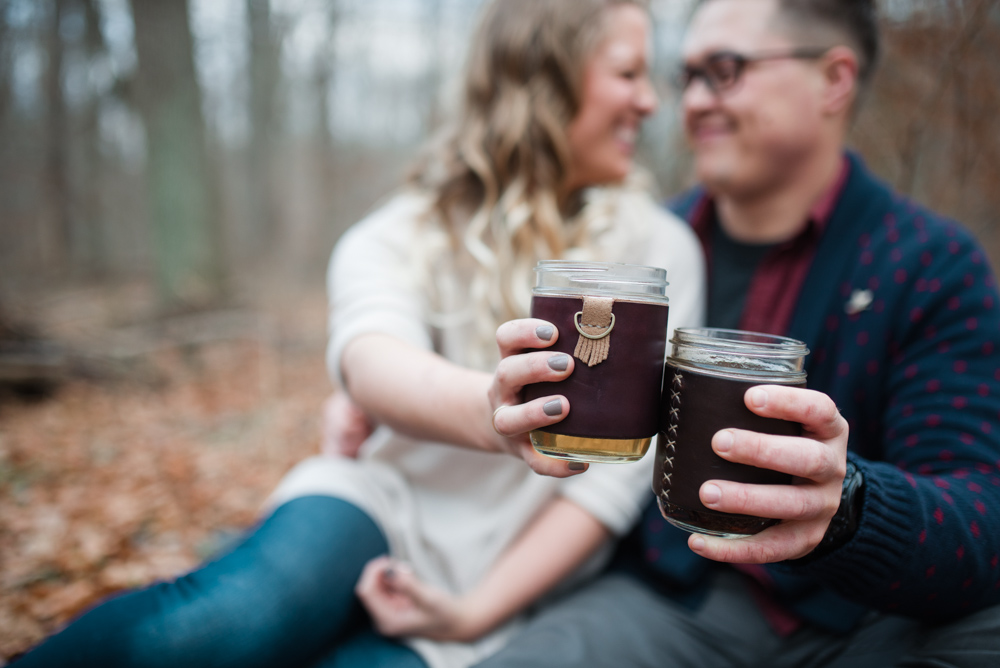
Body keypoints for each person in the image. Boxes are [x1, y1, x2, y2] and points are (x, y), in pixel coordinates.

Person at [12, 1, 703, 667]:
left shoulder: (662, 254)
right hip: (378, 505)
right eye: (628, 73)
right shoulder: (397, 236)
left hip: (507, 574)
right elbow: (371, 360)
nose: (649, 101)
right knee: (212, 625)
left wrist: (474, 615)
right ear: (544, 77)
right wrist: (493, 414)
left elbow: (608, 489)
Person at [456, 0, 1000, 666]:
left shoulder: (929, 263)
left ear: (833, 80)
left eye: (724, 69)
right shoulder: (647, 247)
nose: (690, 103)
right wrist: (386, 398)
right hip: (666, 600)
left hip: (857, 621)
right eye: (685, 77)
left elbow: (979, 512)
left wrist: (850, 506)